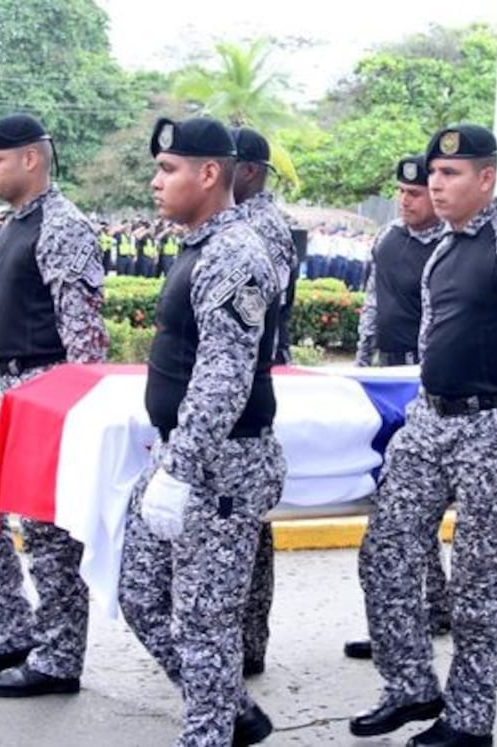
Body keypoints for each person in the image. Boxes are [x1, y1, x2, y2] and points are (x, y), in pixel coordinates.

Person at [352, 125, 497, 747]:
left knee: (478, 583)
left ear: (487, 178)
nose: (436, 184)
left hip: (495, 428)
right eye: (433, 175)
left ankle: (470, 720)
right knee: (386, 553)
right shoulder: (444, 249)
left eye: (451, 174)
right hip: (433, 419)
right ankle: (411, 687)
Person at [117, 116, 283, 747]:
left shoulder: (236, 253)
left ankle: (210, 731)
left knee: (204, 623)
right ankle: (231, 711)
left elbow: (223, 378)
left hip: (222, 466)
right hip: (180, 457)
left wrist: (180, 469)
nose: (156, 182)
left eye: (168, 169)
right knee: (140, 596)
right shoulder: (201, 246)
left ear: (209, 173)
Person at [0, 113, 108, 697]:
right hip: (2, 388)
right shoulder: (14, 224)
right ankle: (7, 634)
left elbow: (85, 337)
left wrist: (75, 410)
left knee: (46, 533)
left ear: (31, 160)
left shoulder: (64, 227)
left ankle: (60, 658)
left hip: (46, 393)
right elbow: (1, 320)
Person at [345, 154, 451, 664]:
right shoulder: (389, 239)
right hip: (384, 375)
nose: (406, 201)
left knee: (412, 504)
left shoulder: (448, 246)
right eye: (402, 193)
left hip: (422, 379)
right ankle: (415, 610)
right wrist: (360, 367)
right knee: (396, 500)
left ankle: (425, 609)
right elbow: (373, 303)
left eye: (416, 193)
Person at [229, 125, 296, 679]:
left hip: (250, 381)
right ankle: (241, 638)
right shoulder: (234, 221)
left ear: (248, 170)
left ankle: (249, 640)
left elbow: (256, 318)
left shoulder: (262, 228)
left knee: (249, 522)